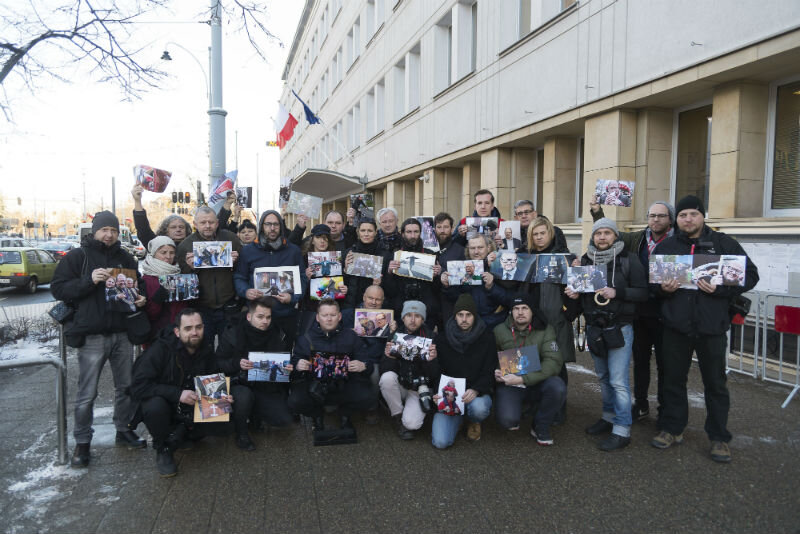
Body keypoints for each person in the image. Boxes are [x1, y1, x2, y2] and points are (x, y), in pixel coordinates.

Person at [650, 195, 759, 463]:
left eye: (693, 214)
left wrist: (721, 287)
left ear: (702, 216)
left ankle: (719, 437)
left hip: (711, 327)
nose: (688, 219)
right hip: (676, 326)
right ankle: (673, 429)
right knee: (674, 381)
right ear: (677, 219)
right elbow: (652, 284)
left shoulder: (724, 243)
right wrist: (662, 289)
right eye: (683, 215)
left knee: (715, 385)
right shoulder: (667, 247)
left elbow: (751, 275)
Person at [51, 211, 147, 468]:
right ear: (94, 231)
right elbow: (58, 288)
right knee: (87, 394)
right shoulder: (78, 257)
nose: (109, 235)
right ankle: (82, 443)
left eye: (113, 231)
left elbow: (137, 287)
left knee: (125, 387)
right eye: (104, 230)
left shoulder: (126, 257)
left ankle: (123, 429)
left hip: (122, 332)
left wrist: (140, 298)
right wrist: (89, 281)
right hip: (92, 335)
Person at [565, 218, 648, 451]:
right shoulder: (586, 260)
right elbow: (583, 296)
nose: (602, 237)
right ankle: (609, 417)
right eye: (598, 233)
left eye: (607, 233)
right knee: (602, 377)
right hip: (594, 326)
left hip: (620, 326)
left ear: (615, 236)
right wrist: (575, 294)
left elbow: (643, 293)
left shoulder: (629, 260)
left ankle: (622, 429)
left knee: (618, 381)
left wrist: (617, 291)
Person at [591, 198, 676, 422]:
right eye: (652, 216)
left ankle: (667, 414)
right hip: (639, 312)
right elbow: (606, 231)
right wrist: (597, 212)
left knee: (667, 364)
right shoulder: (638, 238)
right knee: (640, 361)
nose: (655, 220)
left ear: (670, 219)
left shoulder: (677, 240)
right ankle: (640, 404)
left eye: (661, 216)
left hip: (668, 308)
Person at [131, 309, 233, 477]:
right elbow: (138, 387)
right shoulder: (160, 350)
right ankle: (163, 448)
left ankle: (184, 433)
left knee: (225, 423)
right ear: (177, 332)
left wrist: (222, 396)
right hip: (165, 402)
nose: (194, 332)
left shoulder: (206, 349)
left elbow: (211, 380)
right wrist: (177, 394)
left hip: (189, 404)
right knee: (155, 406)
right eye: (188, 328)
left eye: (198, 327)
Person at [215, 297, 293, 451]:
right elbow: (218, 363)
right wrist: (236, 364)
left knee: (283, 420)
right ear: (249, 317)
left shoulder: (278, 333)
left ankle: (256, 416)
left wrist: (288, 369)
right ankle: (241, 432)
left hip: (265, 384)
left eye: (268, 317)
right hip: (239, 383)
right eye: (260, 317)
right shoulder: (232, 334)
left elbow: (282, 364)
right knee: (244, 397)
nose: (265, 321)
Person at [521, 216, 578, 423]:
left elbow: (574, 289)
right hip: (532, 317)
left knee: (557, 364)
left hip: (556, 318)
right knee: (531, 362)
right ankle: (535, 404)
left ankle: (558, 410)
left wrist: (567, 310)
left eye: (542, 233)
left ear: (550, 233)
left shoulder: (564, 257)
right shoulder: (525, 256)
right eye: (535, 234)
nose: (538, 238)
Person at [288, 300, 374, 430]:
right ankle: (316, 415)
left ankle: (345, 414)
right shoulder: (305, 338)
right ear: (317, 317)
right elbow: (293, 367)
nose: (329, 319)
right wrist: (297, 365)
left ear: (339, 316)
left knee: (368, 397)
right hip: (315, 386)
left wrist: (363, 365)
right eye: (324, 315)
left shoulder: (351, 336)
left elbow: (368, 362)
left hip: (344, 384)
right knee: (295, 402)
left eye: (333, 315)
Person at [493, 294, 566, 445]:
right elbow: (491, 358)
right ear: (511, 312)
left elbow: (553, 362)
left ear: (532, 311)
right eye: (516, 309)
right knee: (508, 421)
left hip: (537, 381)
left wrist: (522, 378)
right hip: (511, 384)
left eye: (525, 308)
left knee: (557, 387)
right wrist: (496, 371)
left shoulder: (545, 329)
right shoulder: (499, 330)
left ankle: (541, 424)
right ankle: (521, 410)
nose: (520, 312)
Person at [431, 294, 497, 448]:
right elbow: (436, 371)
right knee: (441, 442)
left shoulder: (487, 338)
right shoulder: (442, 339)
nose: (464, 319)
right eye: (460, 315)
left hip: (475, 394)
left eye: (468, 315)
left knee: (479, 408)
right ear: (455, 316)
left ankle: (474, 421)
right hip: (450, 398)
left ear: (474, 316)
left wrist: (476, 389)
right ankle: (458, 419)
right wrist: (437, 393)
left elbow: (489, 371)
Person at [235, 210, 305, 345]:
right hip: (258, 316)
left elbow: (302, 278)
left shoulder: (293, 250)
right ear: (262, 226)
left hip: (286, 315)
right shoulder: (248, 251)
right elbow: (239, 277)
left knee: (285, 355)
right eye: (268, 224)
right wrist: (246, 291)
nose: (272, 228)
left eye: (276, 224)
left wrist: (293, 298)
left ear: (281, 227)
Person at [176, 206, 242, 344]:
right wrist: (191, 269)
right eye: (203, 222)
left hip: (228, 305)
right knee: (204, 348)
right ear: (195, 224)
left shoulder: (231, 239)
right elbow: (182, 281)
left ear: (217, 223)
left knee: (230, 346)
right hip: (201, 307)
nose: (207, 226)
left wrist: (236, 262)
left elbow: (242, 271)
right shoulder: (185, 246)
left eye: (211, 222)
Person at [379, 301, 439, 440]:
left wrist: (432, 361)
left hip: (418, 388)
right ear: (403, 317)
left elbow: (435, 375)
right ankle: (397, 415)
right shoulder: (395, 334)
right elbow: (384, 369)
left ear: (423, 319)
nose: (412, 320)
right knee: (386, 378)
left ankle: (408, 414)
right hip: (400, 382)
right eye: (409, 315)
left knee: (412, 424)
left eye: (417, 316)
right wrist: (389, 357)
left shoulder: (431, 337)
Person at [384, 218, 442, 330]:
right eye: (409, 232)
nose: (413, 235)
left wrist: (437, 275)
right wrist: (389, 273)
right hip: (401, 311)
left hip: (427, 312)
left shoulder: (431, 255)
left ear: (420, 233)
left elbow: (437, 290)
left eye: (416, 232)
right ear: (402, 234)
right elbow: (389, 291)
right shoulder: (394, 256)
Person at [441, 234, 509, 328]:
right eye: (472, 248)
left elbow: (509, 299)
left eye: (480, 247)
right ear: (468, 250)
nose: (476, 252)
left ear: (488, 247)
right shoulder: (461, 267)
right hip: (468, 325)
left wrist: (491, 287)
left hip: (494, 324)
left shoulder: (501, 264)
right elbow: (454, 298)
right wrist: (447, 286)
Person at [140, 236, 189, 345]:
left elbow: (183, 308)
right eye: (163, 252)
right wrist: (159, 297)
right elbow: (149, 314)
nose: (168, 256)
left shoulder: (179, 274)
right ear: (154, 253)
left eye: (172, 253)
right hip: (157, 336)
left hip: (178, 332)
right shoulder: (146, 279)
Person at [342, 219, 391, 312]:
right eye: (363, 230)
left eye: (370, 231)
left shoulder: (385, 255)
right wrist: (345, 270)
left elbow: (391, 286)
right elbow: (340, 282)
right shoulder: (349, 252)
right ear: (358, 232)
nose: (366, 234)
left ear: (376, 232)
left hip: (374, 305)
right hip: (351, 304)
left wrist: (380, 283)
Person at [131, 184, 192, 249]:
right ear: (165, 230)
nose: (178, 230)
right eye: (173, 227)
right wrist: (137, 201)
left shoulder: (194, 245)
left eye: (181, 227)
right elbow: (143, 228)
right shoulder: (157, 244)